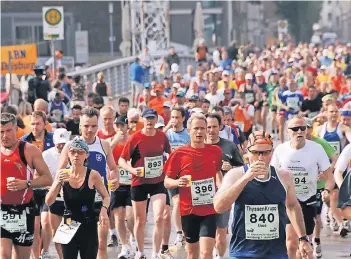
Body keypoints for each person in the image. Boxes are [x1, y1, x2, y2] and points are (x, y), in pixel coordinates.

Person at [213, 130, 313, 259]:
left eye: (266, 152)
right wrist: (245, 179)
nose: (261, 157)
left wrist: (303, 238)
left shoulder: (284, 176)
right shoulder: (236, 175)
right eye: (255, 152)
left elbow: (293, 206)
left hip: (276, 252)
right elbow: (219, 206)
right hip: (243, 252)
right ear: (247, 153)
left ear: (272, 152)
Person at [58, 107, 119, 259]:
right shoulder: (70, 146)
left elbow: (113, 168)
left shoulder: (104, 145)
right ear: (80, 126)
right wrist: (60, 188)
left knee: (101, 245)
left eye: (93, 126)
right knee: (69, 247)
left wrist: (115, 179)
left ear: (98, 126)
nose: (90, 130)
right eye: (86, 126)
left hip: (99, 202)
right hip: (74, 204)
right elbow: (59, 174)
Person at [271, 116, 334, 259]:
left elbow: (329, 176)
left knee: (304, 243)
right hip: (287, 200)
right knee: (291, 242)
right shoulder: (280, 150)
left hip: (307, 199)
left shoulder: (316, 148)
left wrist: (327, 190)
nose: (299, 131)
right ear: (288, 131)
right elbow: (273, 175)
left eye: (303, 128)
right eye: (295, 129)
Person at [164, 113, 223, 259]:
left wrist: (221, 189)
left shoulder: (215, 152)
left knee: (206, 252)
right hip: (188, 210)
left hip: (209, 209)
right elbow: (167, 181)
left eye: (203, 128)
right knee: (192, 254)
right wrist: (178, 182)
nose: (200, 132)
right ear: (189, 130)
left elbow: (217, 173)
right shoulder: (179, 153)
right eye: (196, 128)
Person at [118, 108, 171, 259]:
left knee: (159, 216)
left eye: (152, 118)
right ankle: (140, 252)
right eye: (146, 118)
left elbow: (169, 154)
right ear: (143, 119)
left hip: (157, 181)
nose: (149, 121)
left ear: (156, 119)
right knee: (140, 220)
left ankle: (155, 253)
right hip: (139, 182)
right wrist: (132, 170)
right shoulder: (135, 138)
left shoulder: (162, 137)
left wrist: (168, 168)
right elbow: (121, 160)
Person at [46, 138, 110, 259]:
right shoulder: (62, 174)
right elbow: (49, 201)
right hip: (68, 223)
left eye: (80, 152)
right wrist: (57, 183)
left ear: (86, 155)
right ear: (68, 154)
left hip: (88, 223)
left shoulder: (93, 175)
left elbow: (106, 196)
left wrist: (104, 210)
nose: (76, 155)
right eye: (73, 152)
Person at [1, 113, 52, 259]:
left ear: (16, 129)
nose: (5, 135)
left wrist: (27, 184)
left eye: (9, 131)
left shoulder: (29, 150)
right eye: (1, 131)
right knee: (4, 255)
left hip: (24, 210)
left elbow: (47, 179)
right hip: (2, 209)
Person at [205, 114, 244, 259]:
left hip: (223, 194)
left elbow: (242, 169)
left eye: (214, 126)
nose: (211, 130)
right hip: (202, 196)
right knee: (205, 234)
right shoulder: (198, 145)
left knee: (221, 233)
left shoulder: (229, 145)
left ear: (220, 127)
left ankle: (219, 256)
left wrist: (231, 167)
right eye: (208, 127)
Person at [21, 111, 55, 259]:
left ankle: (45, 251)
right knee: (35, 227)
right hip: (33, 188)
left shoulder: (53, 139)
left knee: (46, 223)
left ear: (45, 124)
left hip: (50, 187)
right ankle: (36, 256)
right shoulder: (24, 141)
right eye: (32, 124)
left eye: (38, 124)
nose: (34, 127)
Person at [304, 118, 337, 258]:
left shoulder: (320, 143)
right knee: (301, 214)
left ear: (311, 129)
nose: (303, 131)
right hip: (302, 186)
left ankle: (315, 240)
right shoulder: (292, 144)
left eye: (306, 128)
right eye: (299, 128)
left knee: (316, 215)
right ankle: (304, 239)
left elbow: (335, 157)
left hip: (318, 186)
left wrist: (327, 172)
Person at [163, 107, 190, 246]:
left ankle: (188, 232)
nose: (174, 120)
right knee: (177, 202)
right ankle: (179, 233)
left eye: (177, 117)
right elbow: (155, 139)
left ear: (183, 118)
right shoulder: (167, 134)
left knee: (188, 205)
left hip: (187, 174)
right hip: (171, 175)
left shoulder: (188, 134)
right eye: (172, 117)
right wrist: (167, 127)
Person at [42, 128, 70, 259]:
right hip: (53, 197)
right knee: (56, 232)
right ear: (54, 141)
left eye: (64, 142)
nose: (62, 145)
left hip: (70, 200)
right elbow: (38, 176)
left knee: (69, 232)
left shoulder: (74, 154)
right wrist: (52, 186)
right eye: (59, 142)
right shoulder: (46, 155)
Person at [109, 116, 135, 258]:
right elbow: (105, 153)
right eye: (117, 125)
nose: (120, 128)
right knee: (118, 217)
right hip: (117, 184)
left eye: (122, 125)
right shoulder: (110, 142)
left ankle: (133, 238)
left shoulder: (133, 140)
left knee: (130, 217)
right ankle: (125, 246)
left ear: (127, 127)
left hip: (132, 183)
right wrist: (115, 141)